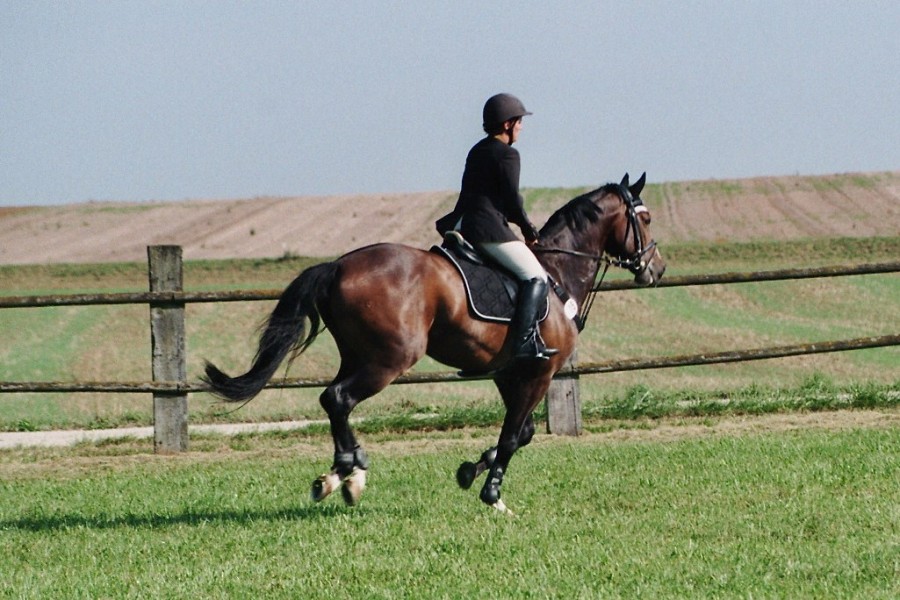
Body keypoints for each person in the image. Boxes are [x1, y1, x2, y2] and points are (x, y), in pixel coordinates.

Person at [436, 93, 558, 361]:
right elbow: (512, 200)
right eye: (519, 122)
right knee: (536, 276)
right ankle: (524, 343)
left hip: (464, 226)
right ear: (507, 124)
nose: (521, 127)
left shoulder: (477, 150)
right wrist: (528, 230)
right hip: (488, 229)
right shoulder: (508, 155)